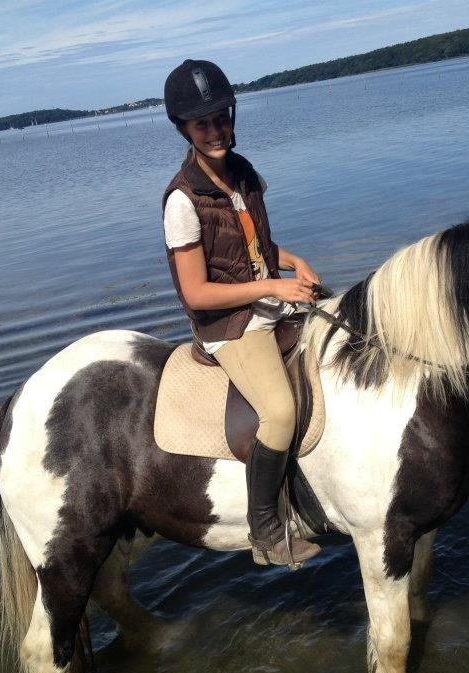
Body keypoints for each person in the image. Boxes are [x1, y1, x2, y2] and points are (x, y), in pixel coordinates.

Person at [161, 59, 322, 567]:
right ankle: (265, 533)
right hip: (228, 326)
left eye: (222, 117)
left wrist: (295, 264)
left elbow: (254, 249)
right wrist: (275, 284)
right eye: (202, 123)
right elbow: (196, 293)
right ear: (184, 129)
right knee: (278, 411)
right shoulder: (182, 202)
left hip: (265, 299)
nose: (216, 130)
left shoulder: (242, 173)